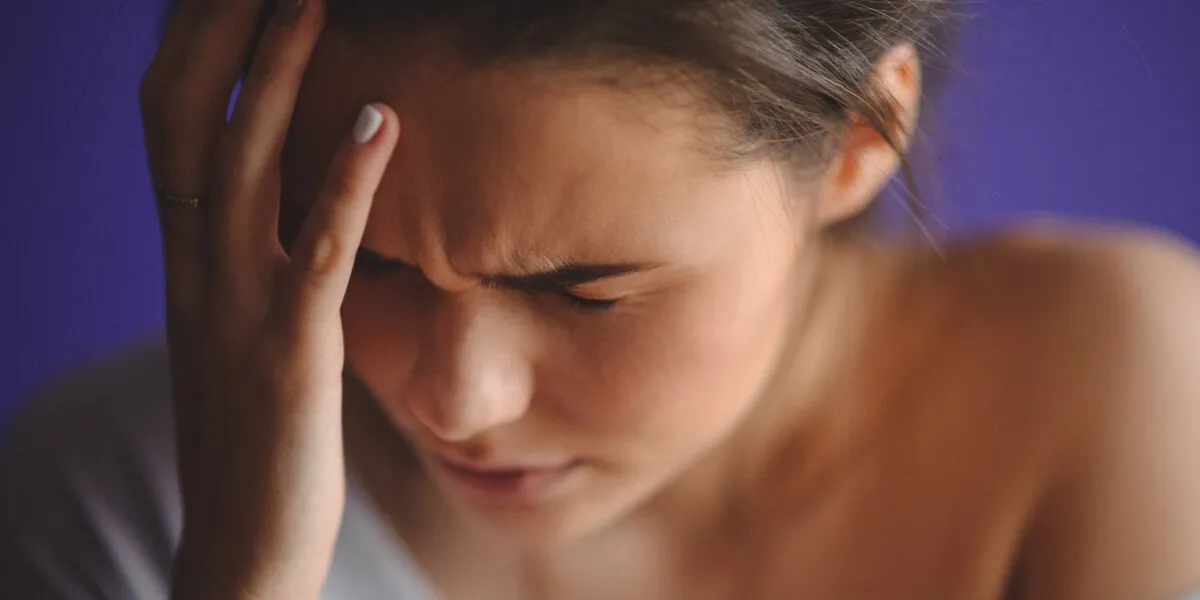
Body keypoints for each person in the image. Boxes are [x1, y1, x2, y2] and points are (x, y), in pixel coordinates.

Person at [2, 0, 1199, 598]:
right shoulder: (113, 509)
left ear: (854, 139)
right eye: (358, 257)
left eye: (581, 294)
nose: (456, 398)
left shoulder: (1110, 391)